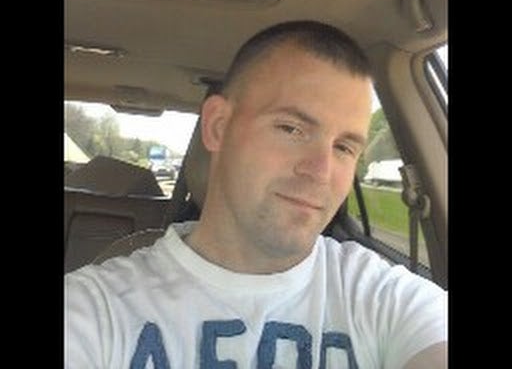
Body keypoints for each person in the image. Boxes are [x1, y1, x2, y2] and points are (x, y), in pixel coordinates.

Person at [65, 20, 447, 368]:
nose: (320, 171)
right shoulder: (97, 308)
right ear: (218, 126)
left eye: (344, 147)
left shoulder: (381, 296)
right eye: (291, 129)